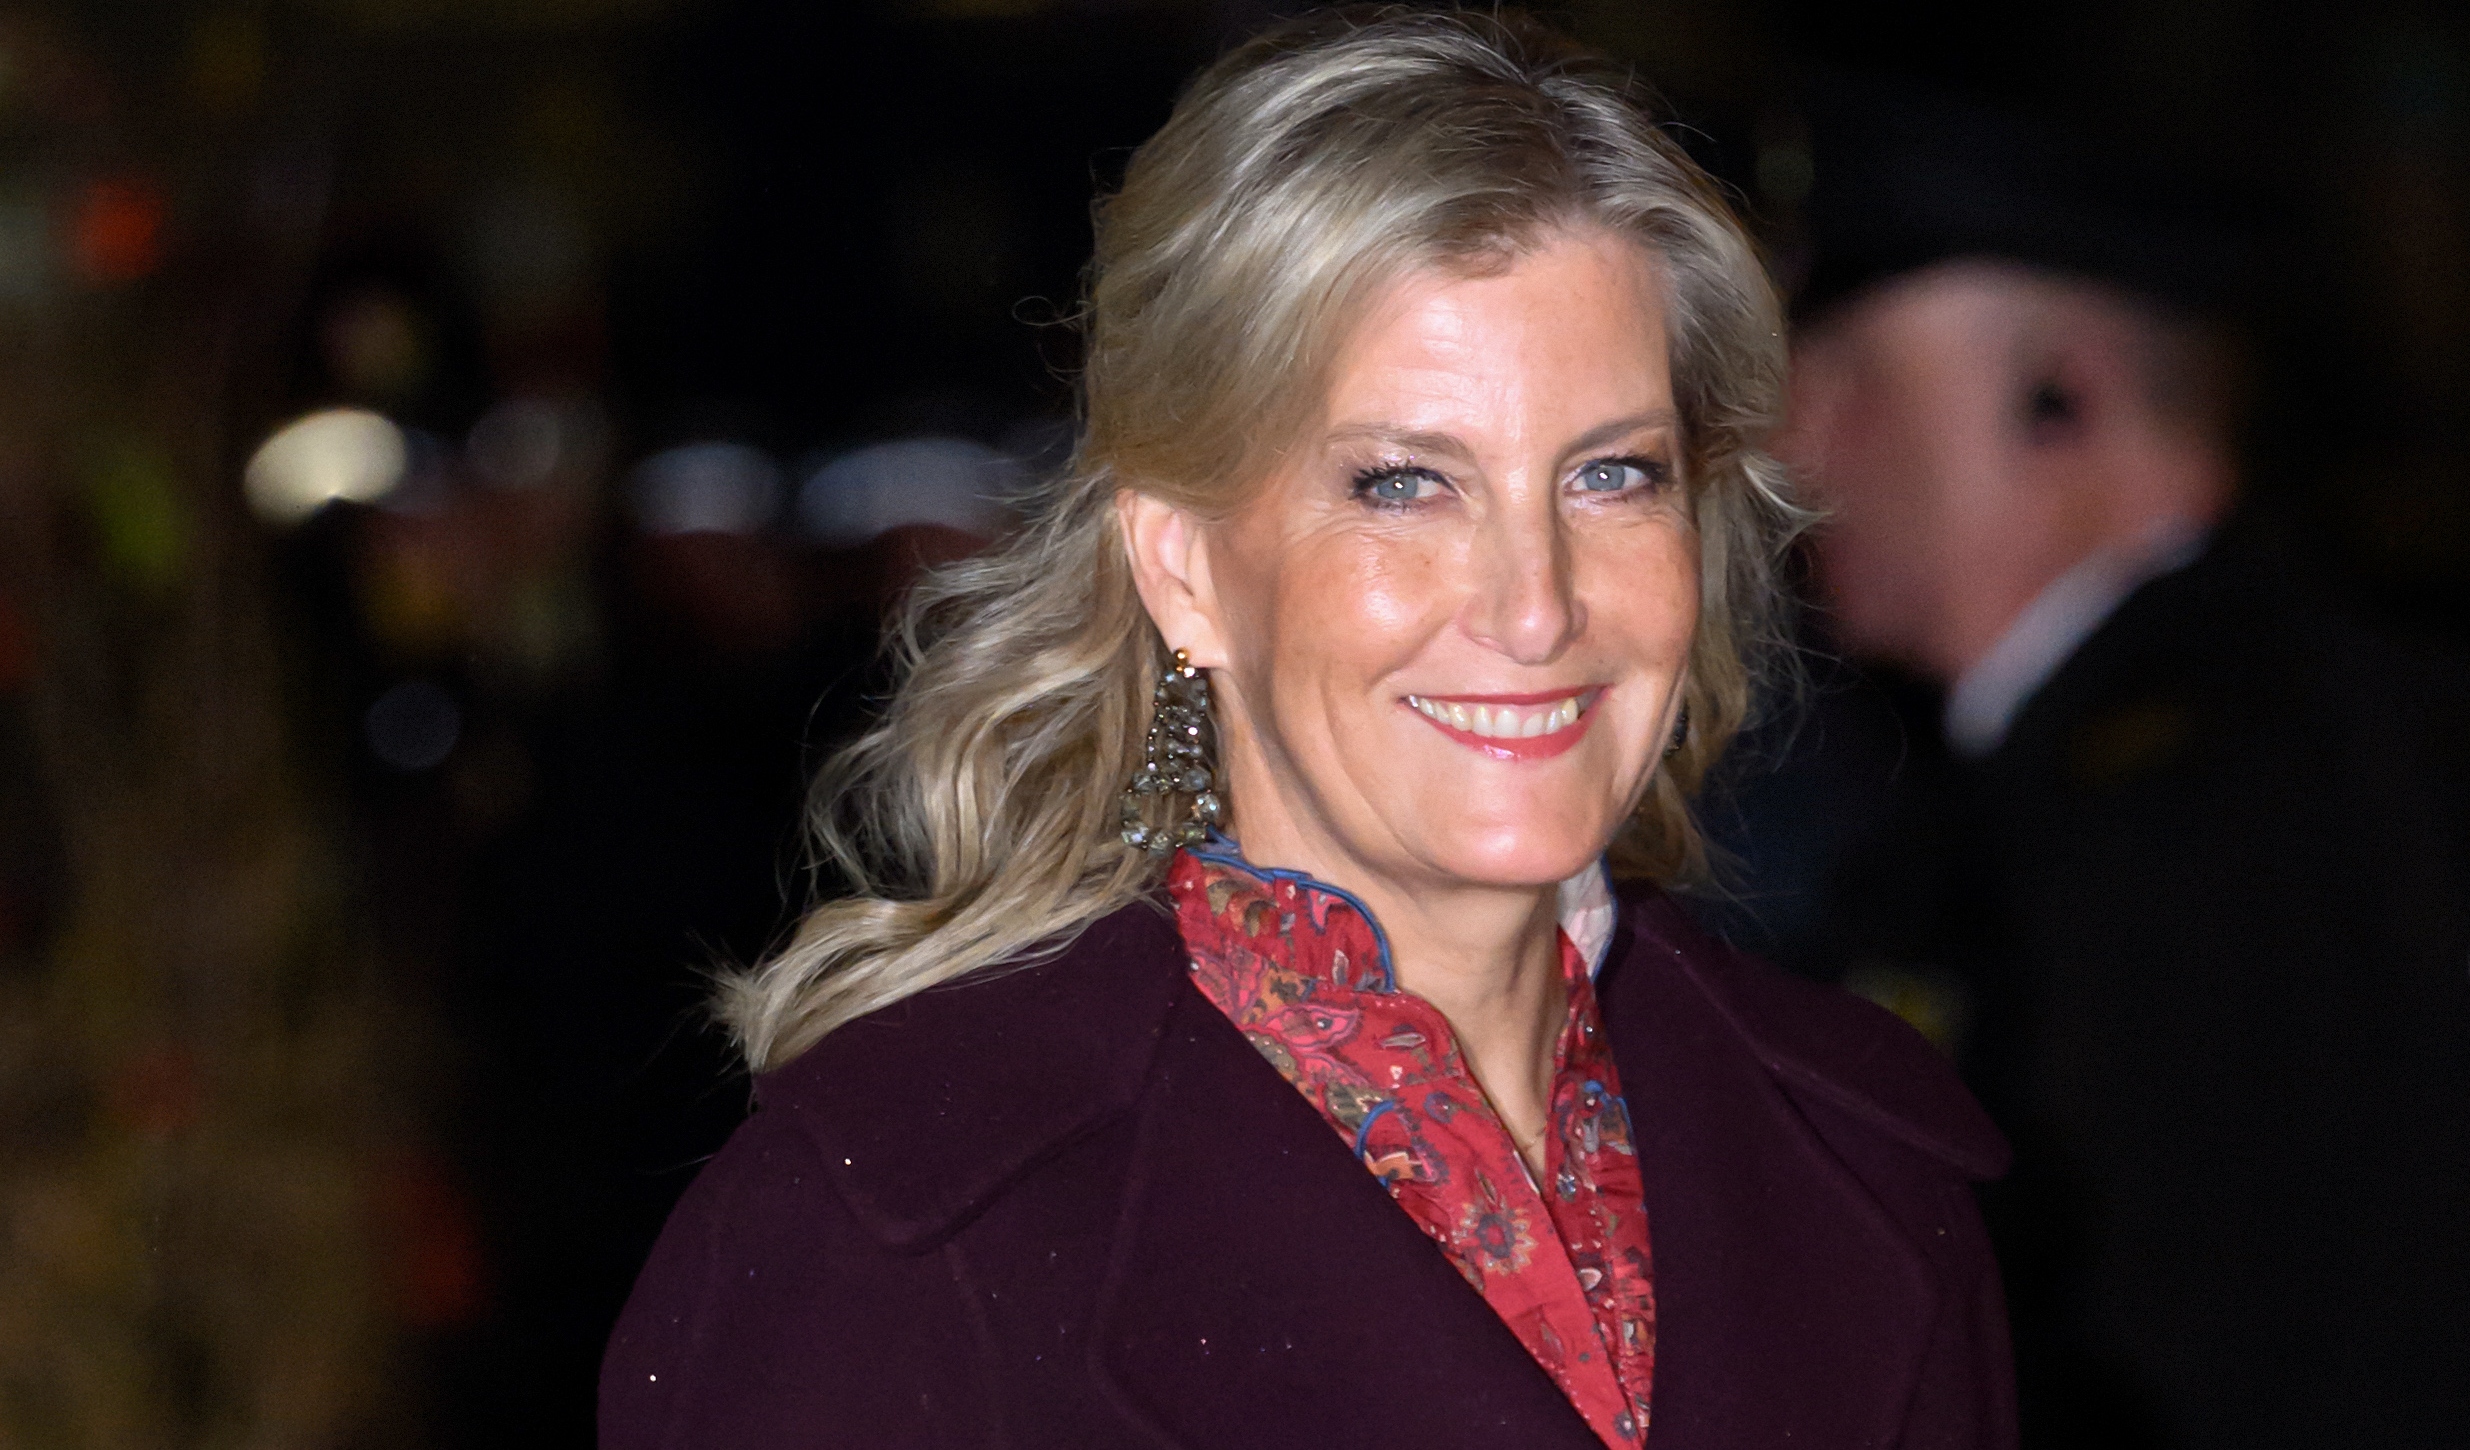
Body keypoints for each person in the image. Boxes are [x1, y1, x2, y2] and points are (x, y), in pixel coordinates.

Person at [600, 14, 2015, 1449]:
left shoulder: (1865, 1157)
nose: (1535, 607)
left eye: (1608, 475)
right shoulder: (891, 1231)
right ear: (1184, 567)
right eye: (1403, 483)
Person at [1734, 79, 2470, 1450]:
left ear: (2062, 392)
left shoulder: (2235, 796)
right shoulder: (2095, 769)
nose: (1790, 447)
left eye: (1849, 378)